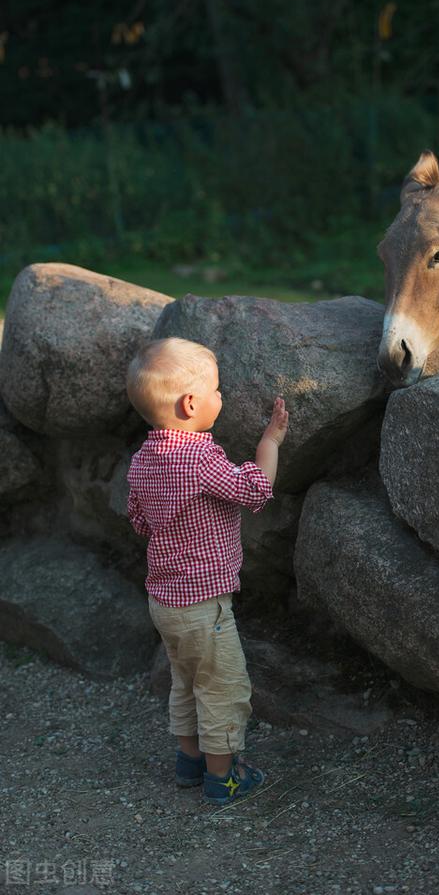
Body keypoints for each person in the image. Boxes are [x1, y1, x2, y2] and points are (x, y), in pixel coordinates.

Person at [125, 336, 289, 805]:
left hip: (164, 602)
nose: (222, 397)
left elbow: (140, 520)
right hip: (204, 605)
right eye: (217, 390)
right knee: (222, 686)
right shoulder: (200, 458)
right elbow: (254, 491)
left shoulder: (142, 461)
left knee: (185, 680)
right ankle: (223, 779)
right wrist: (269, 442)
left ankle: (189, 761)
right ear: (191, 403)